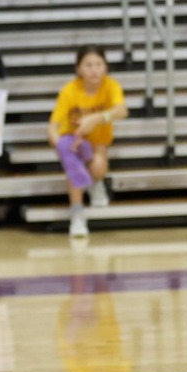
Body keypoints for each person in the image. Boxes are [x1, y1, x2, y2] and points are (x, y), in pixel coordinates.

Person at [50, 44, 123, 235]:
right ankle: (77, 212)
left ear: (105, 67)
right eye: (88, 64)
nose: (94, 69)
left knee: (98, 166)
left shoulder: (110, 86)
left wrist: (97, 118)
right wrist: (61, 147)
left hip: (98, 143)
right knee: (72, 162)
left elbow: (121, 110)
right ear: (78, 69)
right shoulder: (69, 91)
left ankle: (95, 182)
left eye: (98, 64)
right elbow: (52, 127)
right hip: (73, 141)